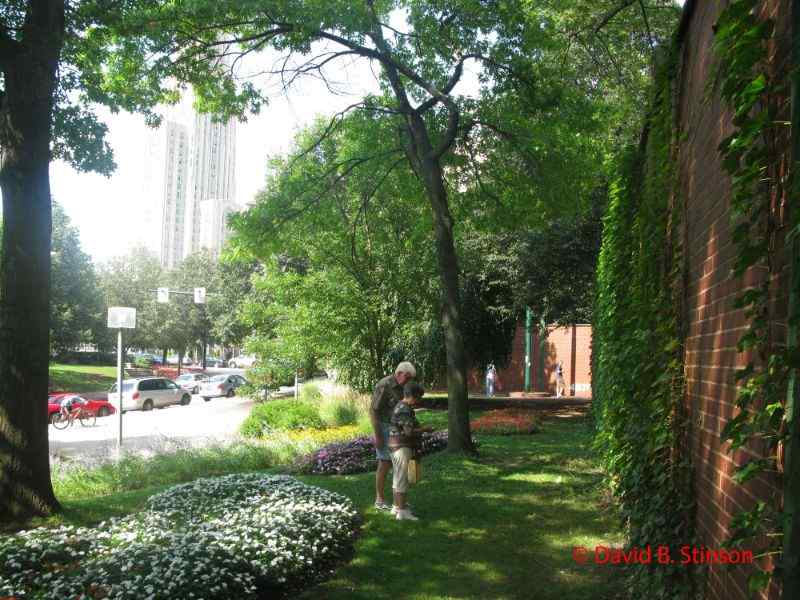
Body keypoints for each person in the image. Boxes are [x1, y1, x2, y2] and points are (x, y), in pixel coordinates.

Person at [370, 361, 416, 511]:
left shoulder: (404, 387)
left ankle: (398, 502)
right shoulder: (384, 385)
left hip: (395, 428)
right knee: (384, 463)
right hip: (383, 427)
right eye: (408, 377)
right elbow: (374, 411)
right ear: (399, 373)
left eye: (411, 379)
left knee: (398, 463)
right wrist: (377, 435)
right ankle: (380, 499)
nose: (409, 381)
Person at [388, 381, 431, 520]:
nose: (419, 401)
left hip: (394, 445)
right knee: (402, 479)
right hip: (402, 446)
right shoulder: (405, 409)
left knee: (397, 477)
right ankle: (402, 511)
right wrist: (424, 429)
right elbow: (408, 432)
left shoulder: (400, 406)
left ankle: (396, 506)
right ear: (412, 395)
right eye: (418, 397)